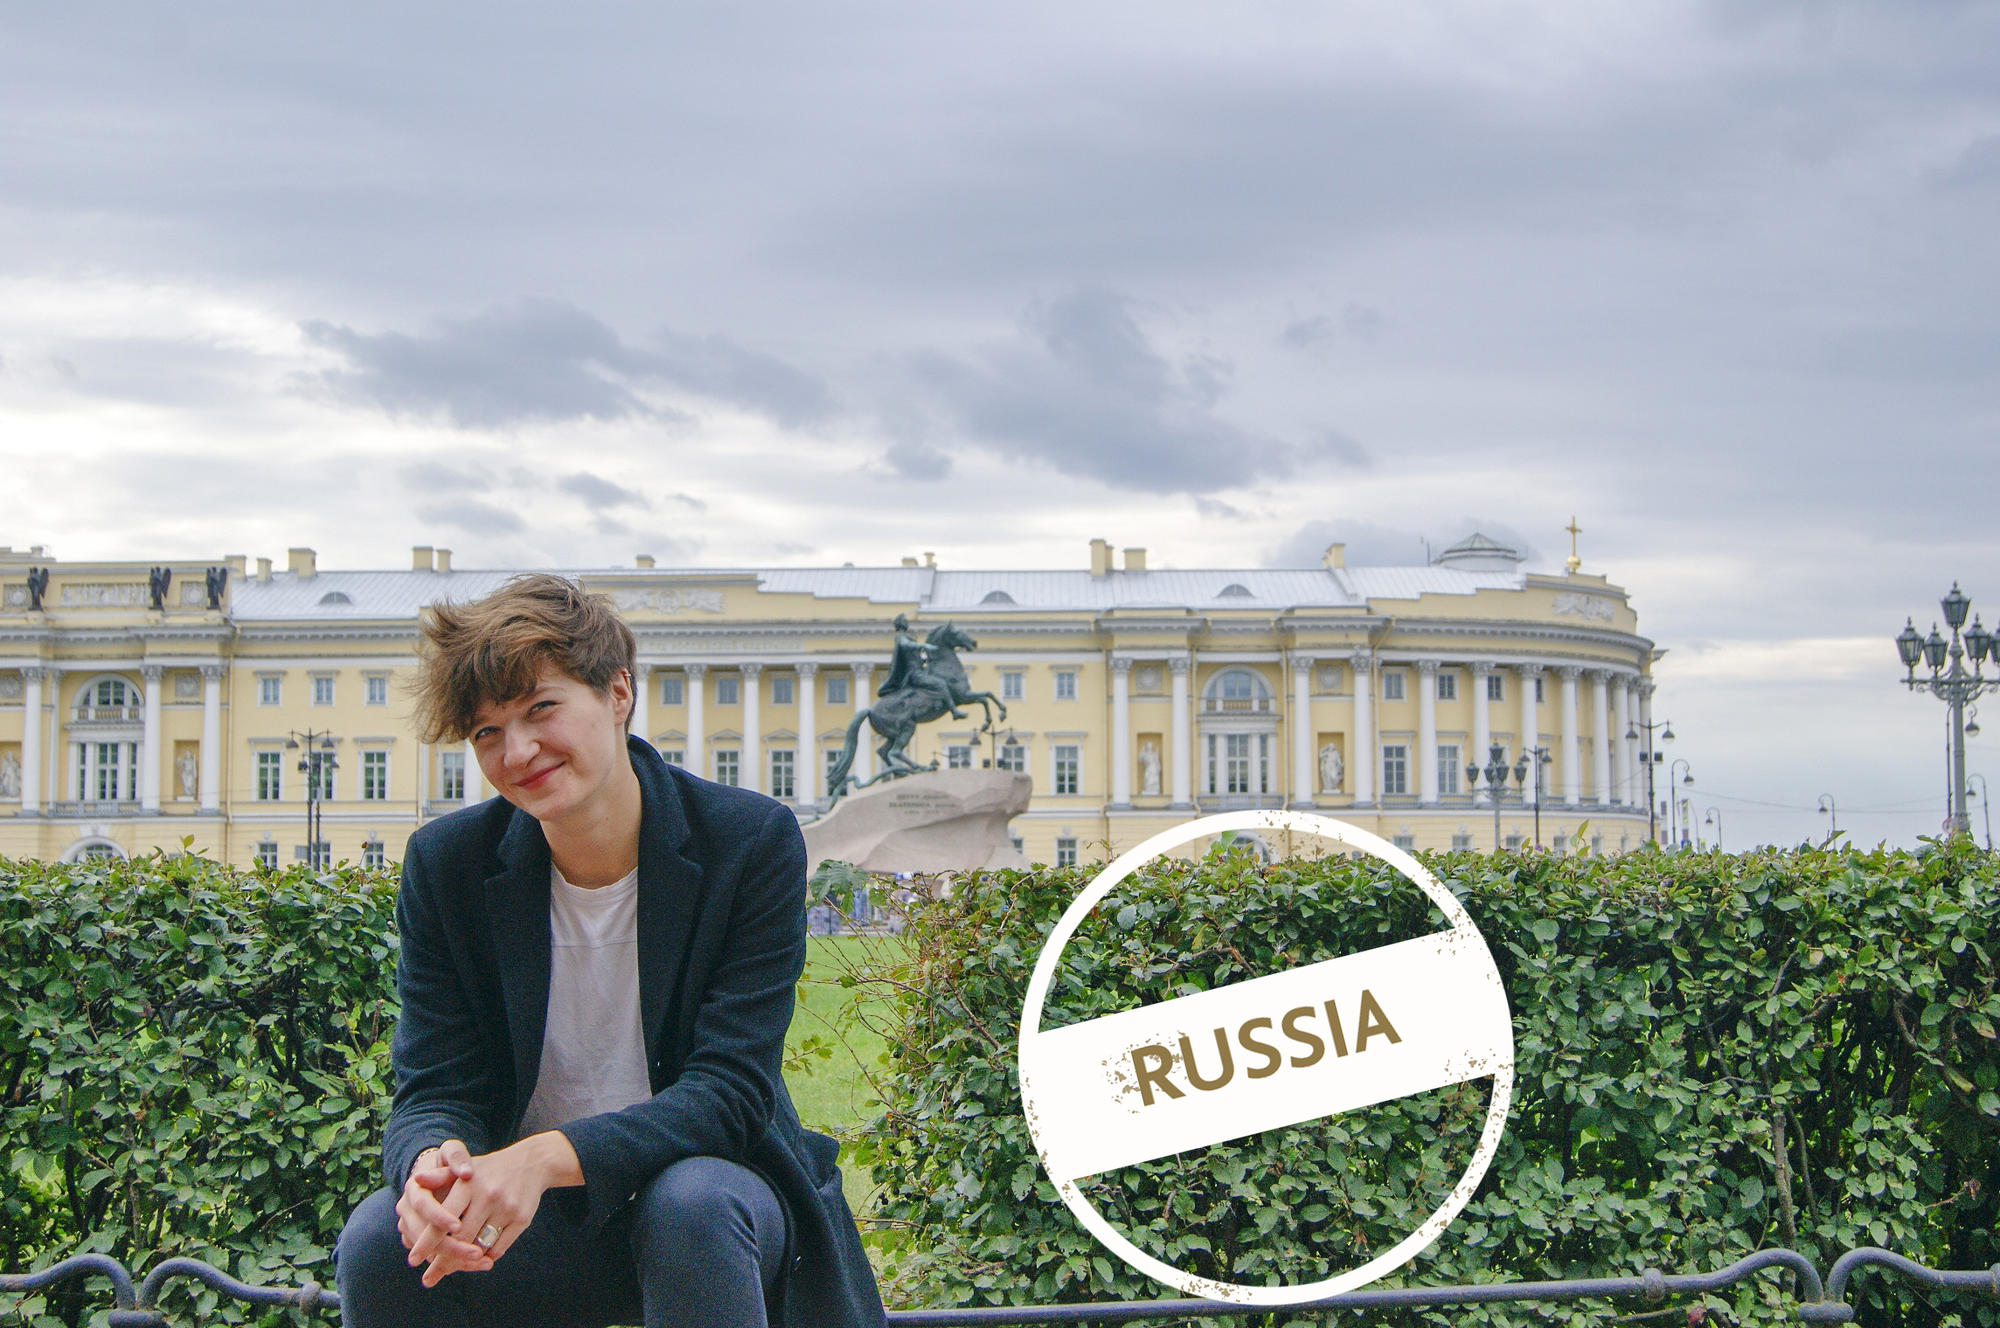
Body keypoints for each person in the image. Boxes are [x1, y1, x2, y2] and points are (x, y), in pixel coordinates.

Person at [335, 574, 886, 1328]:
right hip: (527, 1219)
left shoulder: (747, 841)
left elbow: (729, 1095)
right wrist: (433, 1164)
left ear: (617, 694)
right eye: (487, 732)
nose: (517, 751)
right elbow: (433, 1084)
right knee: (380, 1239)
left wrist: (543, 1157)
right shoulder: (448, 863)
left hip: (714, 1203)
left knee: (688, 1207)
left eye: (540, 709)